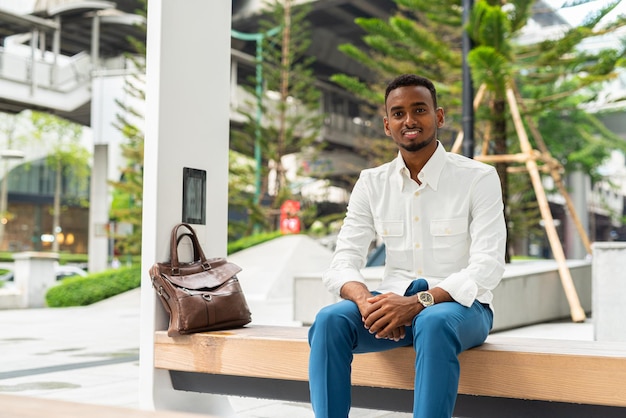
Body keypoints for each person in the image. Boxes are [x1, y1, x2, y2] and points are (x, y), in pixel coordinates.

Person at [308, 74, 507, 418]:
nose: (409, 121)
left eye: (419, 110)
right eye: (398, 114)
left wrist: (417, 303)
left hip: (462, 309)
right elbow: (342, 262)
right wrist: (365, 301)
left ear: (439, 116)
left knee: (433, 323)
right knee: (329, 321)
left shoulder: (479, 178)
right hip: (393, 303)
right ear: (387, 125)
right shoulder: (371, 183)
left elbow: (487, 267)